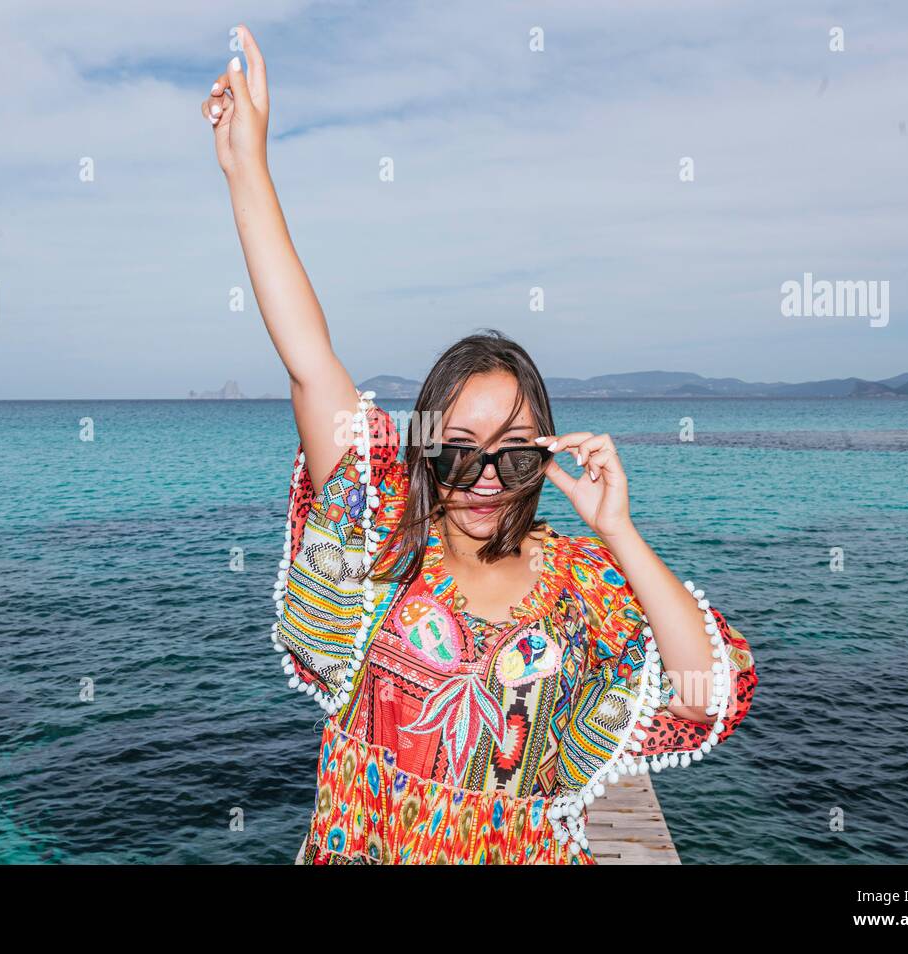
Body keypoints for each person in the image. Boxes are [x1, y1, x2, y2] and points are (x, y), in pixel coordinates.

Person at [201, 25, 757, 864]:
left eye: (516, 451)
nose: (487, 477)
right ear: (424, 448)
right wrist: (249, 167)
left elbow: (703, 690)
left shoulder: (584, 590)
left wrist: (620, 532)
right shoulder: (382, 545)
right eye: (459, 448)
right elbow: (312, 366)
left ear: (549, 455)